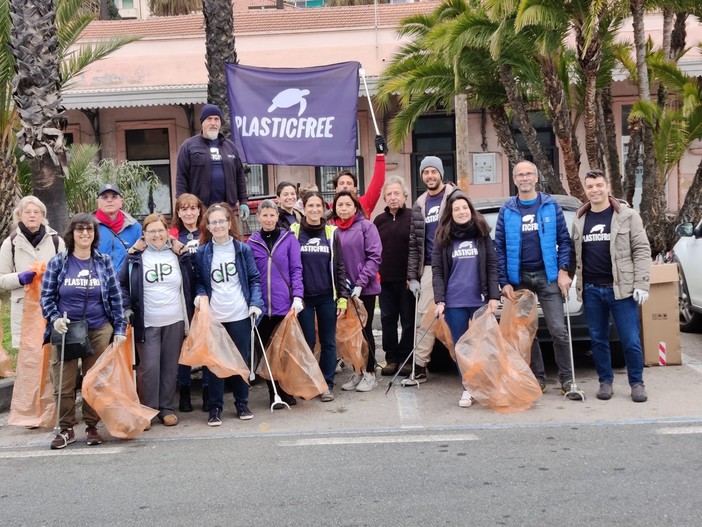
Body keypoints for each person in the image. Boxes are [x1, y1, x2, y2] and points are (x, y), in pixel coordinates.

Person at [40, 213, 127, 450]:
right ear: (72, 233)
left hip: (98, 328)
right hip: (66, 330)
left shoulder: (103, 261)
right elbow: (46, 297)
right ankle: (65, 427)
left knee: (93, 380)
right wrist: (54, 318)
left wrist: (120, 328)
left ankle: (91, 425)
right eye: (80, 229)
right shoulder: (58, 262)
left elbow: (115, 297)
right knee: (63, 382)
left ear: (94, 234)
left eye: (89, 229)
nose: (85, 233)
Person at [494, 160, 574, 396]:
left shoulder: (551, 206)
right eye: (520, 174)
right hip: (519, 279)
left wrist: (564, 270)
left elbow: (565, 241)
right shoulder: (506, 210)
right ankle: (537, 378)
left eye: (529, 174)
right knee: (527, 334)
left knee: (558, 329)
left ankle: (567, 380)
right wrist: (504, 281)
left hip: (548, 276)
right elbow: (499, 247)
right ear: (515, 179)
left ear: (536, 178)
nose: (525, 178)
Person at [571, 170, 651, 402]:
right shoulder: (580, 219)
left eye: (598, 185)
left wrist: (641, 284)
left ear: (607, 187)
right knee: (597, 339)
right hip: (592, 290)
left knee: (630, 340)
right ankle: (605, 381)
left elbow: (642, 250)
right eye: (590, 187)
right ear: (585, 190)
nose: (594, 190)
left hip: (621, 290)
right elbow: (574, 253)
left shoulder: (627, 216)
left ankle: (637, 383)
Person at [192, 203, 263, 426]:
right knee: (214, 364)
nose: (218, 225)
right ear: (208, 226)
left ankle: (242, 403)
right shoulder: (203, 252)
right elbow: (200, 282)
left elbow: (253, 279)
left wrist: (255, 302)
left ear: (229, 223)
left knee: (240, 361)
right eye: (214, 222)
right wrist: (200, 297)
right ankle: (215, 407)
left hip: (239, 313)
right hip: (215, 315)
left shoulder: (242, 249)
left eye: (222, 221)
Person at [121, 214, 195, 427]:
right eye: (151, 231)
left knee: (170, 367)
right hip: (148, 321)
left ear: (167, 232)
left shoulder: (178, 255)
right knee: (149, 367)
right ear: (144, 234)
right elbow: (122, 285)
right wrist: (127, 307)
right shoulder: (135, 257)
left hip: (175, 319)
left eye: (160, 230)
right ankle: (147, 409)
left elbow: (189, 282)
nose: (156, 234)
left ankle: (166, 408)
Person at [432, 190, 500, 407]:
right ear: (450, 214)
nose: (461, 212)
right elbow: (437, 271)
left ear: (471, 211)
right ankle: (468, 388)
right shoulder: (443, 237)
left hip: (479, 299)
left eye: (464, 208)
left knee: (483, 345)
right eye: (456, 209)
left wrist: (493, 296)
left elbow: (491, 265)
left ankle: (487, 386)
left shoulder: (481, 235)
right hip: (454, 302)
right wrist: (440, 300)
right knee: (462, 347)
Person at [290, 191, 348, 402]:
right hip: (303, 297)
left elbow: (340, 266)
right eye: (310, 206)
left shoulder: (332, 232)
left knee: (328, 342)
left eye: (318, 206)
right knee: (307, 342)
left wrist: (342, 297)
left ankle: (326, 384)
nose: (314, 210)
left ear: (323, 209)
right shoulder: (294, 232)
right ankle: (310, 382)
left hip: (326, 296)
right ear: (303, 208)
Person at [247, 200, 304, 408]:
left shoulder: (288, 239)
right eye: (265, 216)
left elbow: (297, 269)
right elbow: (249, 275)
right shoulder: (251, 243)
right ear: (259, 217)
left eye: (272, 215)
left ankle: (286, 389)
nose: (269, 219)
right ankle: (274, 393)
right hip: (262, 309)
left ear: (277, 217)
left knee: (284, 353)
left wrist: (297, 296)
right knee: (267, 354)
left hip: (284, 306)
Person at [406, 156, 456, 382]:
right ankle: (419, 367)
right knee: (424, 319)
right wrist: (412, 276)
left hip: (456, 265)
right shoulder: (420, 203)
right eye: (425, 172)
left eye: (433, 171)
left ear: (441, 173)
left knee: (459, 317)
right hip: (428, 268)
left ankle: (472, 365)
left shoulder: (455, 197)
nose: (430, 176)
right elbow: (414, 244)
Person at [332, 191, 382, 392]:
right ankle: (357, 370)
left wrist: (360, 283)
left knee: (364, 330)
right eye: (340, 205)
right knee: (349, 334)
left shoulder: (366, 227)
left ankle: (369, 373)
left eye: (347, 204)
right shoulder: (332, 229)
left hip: (364, 290)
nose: (343, 208)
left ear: (355, 207)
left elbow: (374, 256)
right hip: (342, 291)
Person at [0, 196, 65, 349]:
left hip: (51, 305)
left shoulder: (56, 241)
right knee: (28, 357)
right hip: (24, 307)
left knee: (51, 351)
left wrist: (51, 276)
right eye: (27, 212)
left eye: (37, 212)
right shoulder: (10, 243)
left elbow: (67, 272)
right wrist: (20, 278)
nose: (32, 215)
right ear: (19, 215)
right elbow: (1, 279)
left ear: (43, 216)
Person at [168, 193, 210, 412]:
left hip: (204, 295)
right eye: (184, 209)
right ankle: (184, 391)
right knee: (184, 344)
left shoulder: (207, 233)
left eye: (193, 208)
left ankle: (206, 390)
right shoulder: (172, 235)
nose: (189, 213)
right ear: (178, 212)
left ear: (199, 210)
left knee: (204, 342)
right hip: (181, 296)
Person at [175, 104, 249, 221]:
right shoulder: (188, 146)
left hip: (227, 209)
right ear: (202, 122)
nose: (213, 123)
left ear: (220, 123)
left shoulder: (230, 146)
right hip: (200, 211)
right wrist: (183, 206)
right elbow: (181, 177)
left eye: (216, 119)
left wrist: (244, 201)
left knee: (227, 238)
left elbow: (239, 175)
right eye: (209, 119)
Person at [373, 176, 415, 376]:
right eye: (389, 194)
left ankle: (407, 358)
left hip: (407, 280)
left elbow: (418, 248)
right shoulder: (379, 221)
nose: (393, 197)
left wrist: (413, 275)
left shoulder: (414, 217)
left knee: (408, 320)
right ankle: (391, 358)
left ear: (405, 195)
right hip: (385, 280)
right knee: (388, 320)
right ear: (384, 198)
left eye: (396, 193)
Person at [332, 134, 387, 217]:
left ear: (355, 189)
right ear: (336, 189)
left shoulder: (364, 204)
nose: (345, 186)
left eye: (349, 183)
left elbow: (377, 183)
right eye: (342, 183)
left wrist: (380, 154)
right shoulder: (329, 210)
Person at [95, 183, 142, 273]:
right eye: (105, 197)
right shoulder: (89, 227)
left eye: (114, 197)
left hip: (126, 283)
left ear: (121, 202)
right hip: (99, 281)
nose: (109, 200)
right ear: (98, 203)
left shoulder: (135, 227)